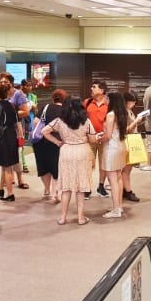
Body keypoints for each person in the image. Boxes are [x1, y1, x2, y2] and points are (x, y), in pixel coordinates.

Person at [45, 97, 99, 226]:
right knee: (81, 187)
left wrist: (57, 141)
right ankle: (81, 217)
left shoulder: (60, 121)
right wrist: (97, 137)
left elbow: (44, 131)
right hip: (82, 151)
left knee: (66, 187)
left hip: (66, 151)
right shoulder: (86, 121)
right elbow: (93, 140)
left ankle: (63, 217)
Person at [34, 89, 66, 199]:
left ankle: (47, 189)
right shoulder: (65, 110)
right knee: (55, 167)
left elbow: (35, 122)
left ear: (53, 98)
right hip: (57, 142)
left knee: (44, 167)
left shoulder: (45, 107)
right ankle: (55, 192)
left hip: (40, 142)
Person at [100, 92, 128, 218]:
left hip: (112, 149)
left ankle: (116, 209)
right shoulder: (122, 114)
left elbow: (108, 135)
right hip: (121, 147)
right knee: (118, 177)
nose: (105, 99)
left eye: (107, 97)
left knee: (112, 180)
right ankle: (119, 206)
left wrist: (98, 138)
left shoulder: (111, 115)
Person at [0, 84, 19, 202]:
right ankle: (1, 189)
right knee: (6, 165)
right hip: (11, 136)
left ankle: (10, 193)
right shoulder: (11, 105)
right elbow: (16, 122)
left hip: (3, 138)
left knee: (7, 167)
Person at [85, 81, 109, 198]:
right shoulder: (87, 102)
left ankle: (101, 186)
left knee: (103, 164)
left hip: (105, 139)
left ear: (102, 90)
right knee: (89, 163)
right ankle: (87, 188)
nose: (91, 88)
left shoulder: (109, 104)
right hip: (90, 139)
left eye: (94, 87)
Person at [122, 91, 143, 203]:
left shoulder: (128, 111)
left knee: (128, 169)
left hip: (131, 139)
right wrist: (136, 121)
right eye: (132, 102)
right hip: (128, 140)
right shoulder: (123, 112)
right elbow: (127, 129)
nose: (134, 104)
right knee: (126, 169)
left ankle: (125, 190)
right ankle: (128, 191)